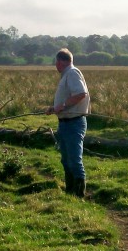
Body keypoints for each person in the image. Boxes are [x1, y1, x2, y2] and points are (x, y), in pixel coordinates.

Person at [46, 48, 90, 197]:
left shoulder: (72, 73)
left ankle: (79, 195)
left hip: (74, 123)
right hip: (65, 123)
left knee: (74, 160)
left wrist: (62, 106)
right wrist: (54, 108)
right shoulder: (67, 74)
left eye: (56, 62)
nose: (55, 65)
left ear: (60, 62)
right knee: (66, 160)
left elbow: (80, 94)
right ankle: (70, 192)